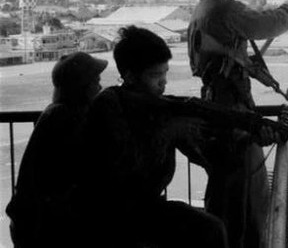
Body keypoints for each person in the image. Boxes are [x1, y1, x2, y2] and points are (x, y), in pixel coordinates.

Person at [187, 0, 288, 248]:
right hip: (233, 120)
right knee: (246, 211)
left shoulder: (203, 9)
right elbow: (270, 23)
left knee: (228, 204)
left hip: (221, 113)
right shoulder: (225, 10)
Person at [80, 26, 232, 248]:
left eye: (165, 74)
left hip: (144, 208)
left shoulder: (159, 108)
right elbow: (121, 166)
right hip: (108, 214)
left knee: (212, 229)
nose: (163, 82)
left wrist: (237, 135)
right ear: (130, 76)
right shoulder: (109, 105)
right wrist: (170, 131)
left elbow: (201, 153)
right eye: (155, 75)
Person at [5, 52, 107, 248]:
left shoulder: (56, 113)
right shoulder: (67, 120)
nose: (100, 87)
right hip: (46, 227)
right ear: (83, 88)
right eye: (96, 81)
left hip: (32, 222)